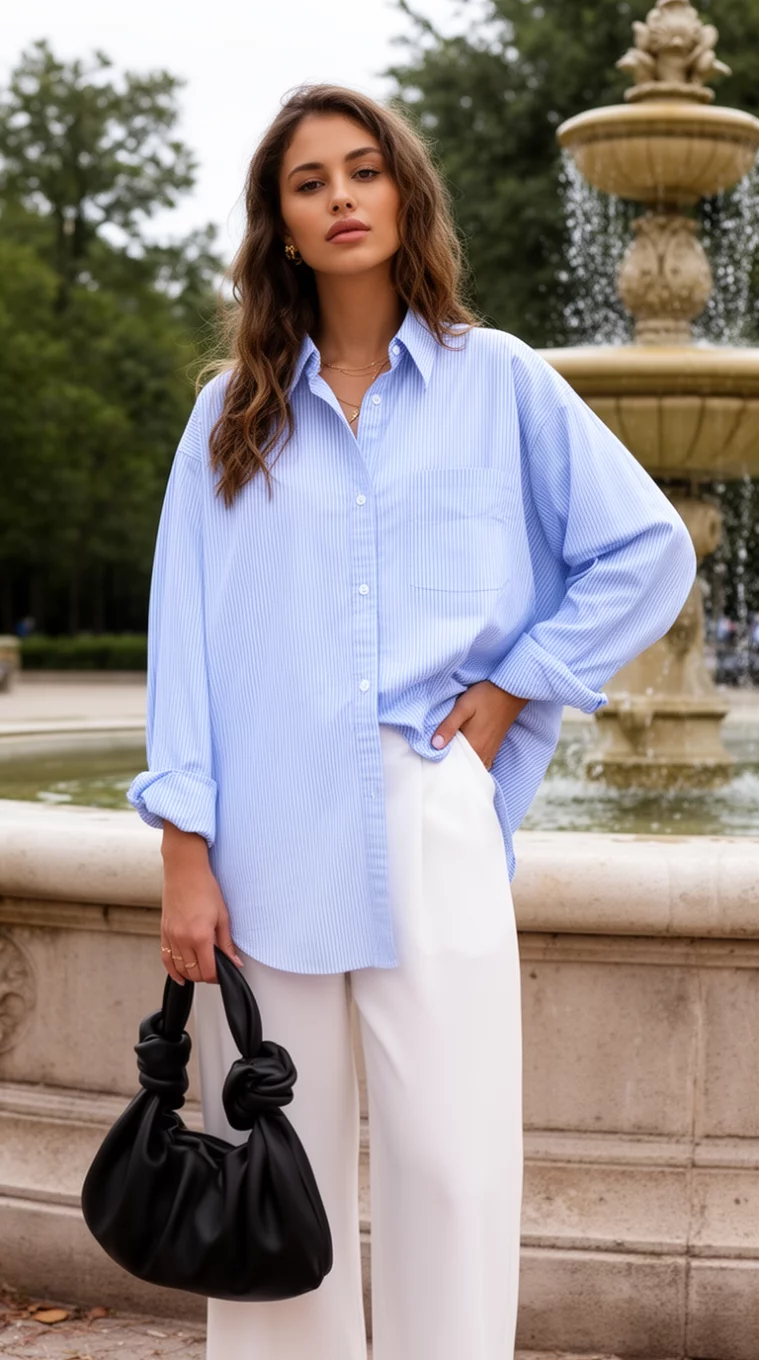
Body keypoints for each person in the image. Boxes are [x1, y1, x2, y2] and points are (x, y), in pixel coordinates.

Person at [126, 83, 698, 1360]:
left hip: (430, 803)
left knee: (453, 1166)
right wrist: (184, 850)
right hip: (265, 832)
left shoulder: (498, 382)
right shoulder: (226, 415)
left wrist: (516, 684)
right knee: (279, 1170)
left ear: (404, 196)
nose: (340, 197)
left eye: (363, 171)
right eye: (310, 181)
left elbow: (648, 551)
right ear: (278, 223)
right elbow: (185, 641)